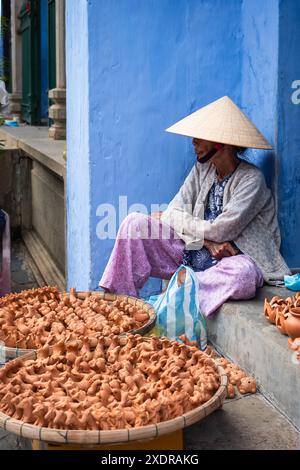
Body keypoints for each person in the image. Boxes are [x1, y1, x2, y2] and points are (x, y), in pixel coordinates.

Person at [99, 96, 290, 316]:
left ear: (222, 143)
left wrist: (188, 225)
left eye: (200, 137)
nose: (193, 143)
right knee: (135, 223)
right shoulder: (203, 170)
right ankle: (115, 306)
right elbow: (175, 210)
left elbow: (221, 230)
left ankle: (174, 294)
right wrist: (206, 241)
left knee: (243, 275)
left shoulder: (251, 179)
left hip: (234, 258)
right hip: (194, 249)